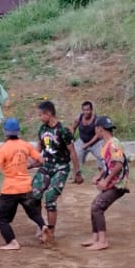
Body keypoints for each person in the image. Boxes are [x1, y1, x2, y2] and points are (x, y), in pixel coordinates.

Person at [0, 117, 50, 250]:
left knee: (1, 218)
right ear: (18, 131)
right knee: (33, 213)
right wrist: (30, 166)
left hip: (10, 189)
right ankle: (43, 226)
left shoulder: (2, 149)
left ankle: (12, 242)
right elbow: (41, 160)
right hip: (26, 187)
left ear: (5, 131)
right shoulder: (25, 145)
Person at [32, 100, 83, 236]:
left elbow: (72, 152)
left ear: (48, 114)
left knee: (50, 197)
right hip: (46, 166)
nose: (39, 117)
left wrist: (77, 172)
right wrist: (32, 162)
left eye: (41, 115)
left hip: (61, 168)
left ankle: (51, 232)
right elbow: (39, 148)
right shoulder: (42, 129)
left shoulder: (63, 131)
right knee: (34, 194)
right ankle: (40, 226)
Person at [83, 115, 130, 251]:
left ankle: (102, 241)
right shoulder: (107, 144)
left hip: (118, 184)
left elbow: (118, 164)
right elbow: (109, 166)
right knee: (95, 206)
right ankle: (96, 238)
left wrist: (106, 180)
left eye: (95, 128)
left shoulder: (113, 144)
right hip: (114, 182)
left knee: (97, 207)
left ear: (100, 129)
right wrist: (100, 176)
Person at [72, 100, 102, 168]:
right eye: (84, 110)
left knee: (101, 157)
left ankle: (103, 172)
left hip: (95, 142)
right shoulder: (79, 118)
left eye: (87, 110)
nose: (86, 112)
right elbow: (73, 128)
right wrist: (71, 139)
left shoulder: (96, 120)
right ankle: (78, 172)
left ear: (91, 110)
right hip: (82, 141)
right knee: (76, 157)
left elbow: (97, 135)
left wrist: (87, 144)